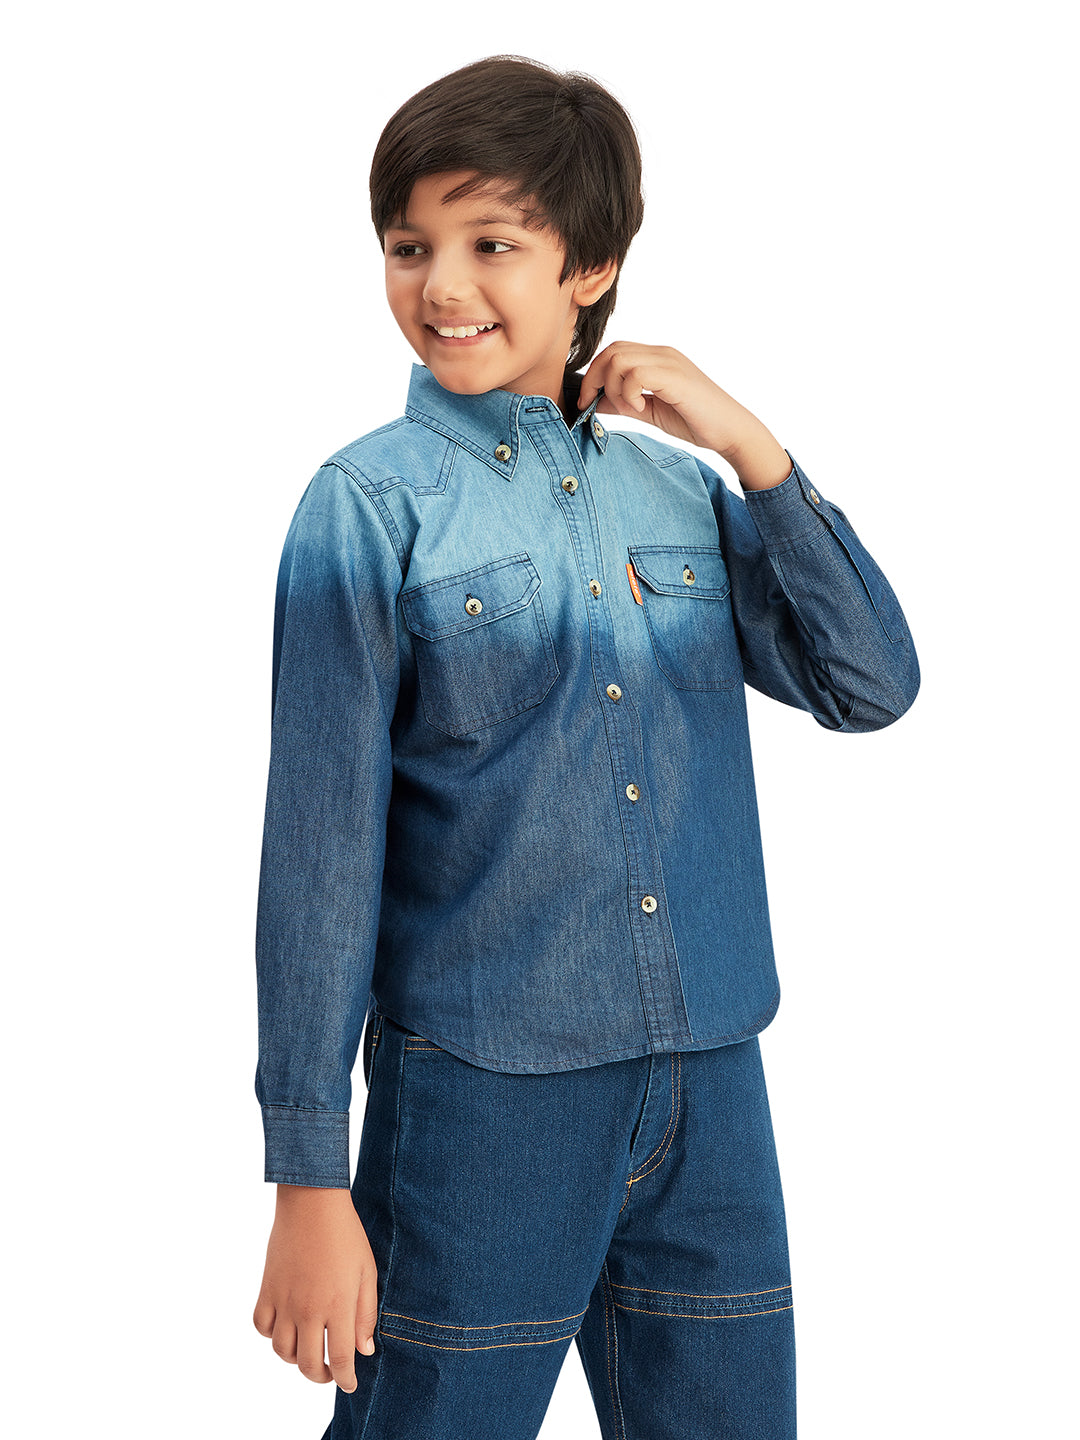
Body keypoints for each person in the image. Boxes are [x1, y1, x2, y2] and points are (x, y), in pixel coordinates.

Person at [251, 55, 920, 1440]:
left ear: (592, 266)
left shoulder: (680, 490)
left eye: (492, 245)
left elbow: (871, 683)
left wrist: (754, 451)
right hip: (483, 1097)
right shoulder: (367, 508)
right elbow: (318, 854)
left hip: (709, 1085)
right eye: (409, 247)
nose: (443, 287)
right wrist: (308, 1172)